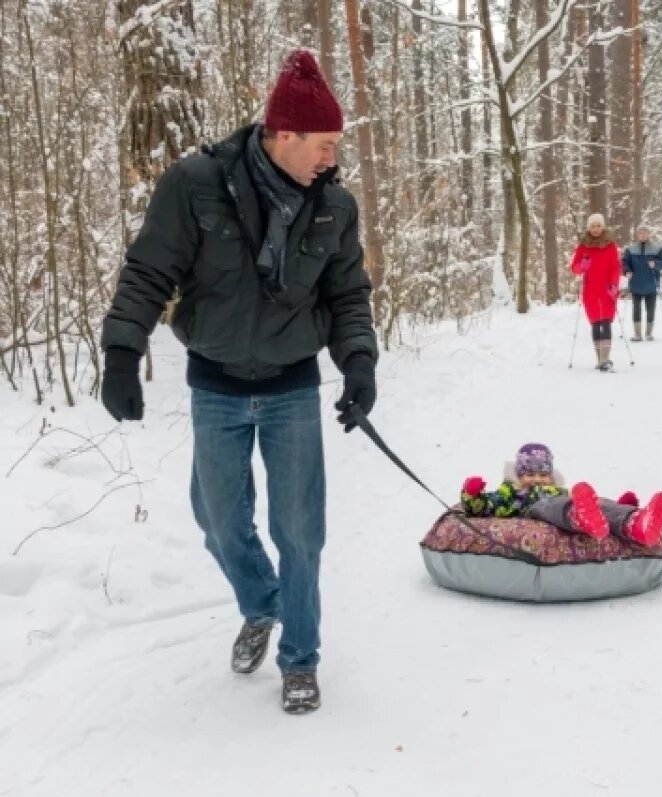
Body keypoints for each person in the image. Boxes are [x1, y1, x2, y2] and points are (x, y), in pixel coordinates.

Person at [99, 50, 378, 715]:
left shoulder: (334, 206)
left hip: (291, 388)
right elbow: (149, 270)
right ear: (284, 134)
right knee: (218, 520)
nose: (331, 158)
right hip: (216, 386)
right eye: (323, 144)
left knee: (300, 531)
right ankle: (262, 604)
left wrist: (359, 363)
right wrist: (122, 350)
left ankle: (301, 657)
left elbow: (347, 295)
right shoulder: (197, 184)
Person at [460, 443, 662, 547]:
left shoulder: (560, 491)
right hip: (536, 511)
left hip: (567, 503)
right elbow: (486, 507)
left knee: (598, 502)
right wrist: (473, 495)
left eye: (543, 475)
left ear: (551, 475)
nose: (537, 479)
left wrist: (619, 508)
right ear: (518, 474)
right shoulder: (512, 493)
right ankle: (579, 516)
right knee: (550, 505)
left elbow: (585, 501)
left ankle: (635, 522)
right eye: (530, 474)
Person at [570, 214, 622, 372]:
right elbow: (574, 268)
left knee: (606, 321)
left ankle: (605, 359)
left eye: (598, 226)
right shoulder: (583, 246)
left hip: (607, 289)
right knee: (596, 322)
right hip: (590, 290)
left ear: (603, 227)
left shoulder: (610, 245)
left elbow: (615, 267)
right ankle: (599, 359)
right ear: (589, 228)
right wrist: (582, 266)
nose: (596, 229)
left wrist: (614, 284)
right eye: (593, 226)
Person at [621, 226, 662, 341]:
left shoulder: (657, 248)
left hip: (651, 284)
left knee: (650, 309)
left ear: (649, 234)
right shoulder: (630, 249)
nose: (643, 235)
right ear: (637, 235)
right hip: (635, 283)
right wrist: (627, 271)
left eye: (645, 233)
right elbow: (624, 262)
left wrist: (655, 264)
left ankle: (649, 333)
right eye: (640, 233)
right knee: (636, 309)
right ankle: (637, 334)